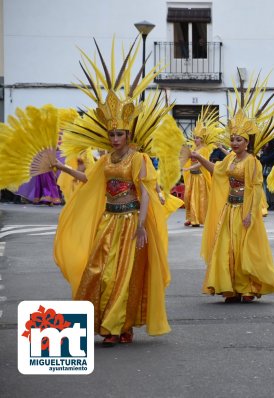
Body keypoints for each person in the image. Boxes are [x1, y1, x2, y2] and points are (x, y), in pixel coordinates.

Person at [53, 38, 182, 346]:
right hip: (109, 221)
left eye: (119, 134)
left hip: (130, 222)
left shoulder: (137, 159)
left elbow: (147, 192)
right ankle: (108, 324)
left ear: (129, 134)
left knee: (125, 274)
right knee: (98, 270)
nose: (114, 138)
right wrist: (61, 168)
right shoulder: (107, 160)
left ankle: (119, 326)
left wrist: (141, 226)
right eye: (111, 134)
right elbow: (89, 179)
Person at [192, 73, 274, 303]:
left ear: (247, 142)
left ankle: (247, 287)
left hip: (245, 210)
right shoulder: (230, 159)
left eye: (239, 140)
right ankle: (229, 286)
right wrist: (198, 157)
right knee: (226, 248)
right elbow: (216, 170)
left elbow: (256, 188)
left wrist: (250, 214)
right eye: (232, 139)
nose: (234, 143)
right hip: (229, 208)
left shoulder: (252, 161)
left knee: (245, 249)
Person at [182, 108, 220, 227]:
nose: (195, 139)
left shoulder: (204, 150)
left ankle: (199, 219)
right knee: (189, 197)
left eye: (197, 138)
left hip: (200, 177)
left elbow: (203, 162)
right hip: (192, 177)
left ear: (202, 139)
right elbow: (189, 159)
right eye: (195, 137)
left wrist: (188, 169)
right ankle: (191, 217)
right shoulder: (194, 149)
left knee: (199, 198)